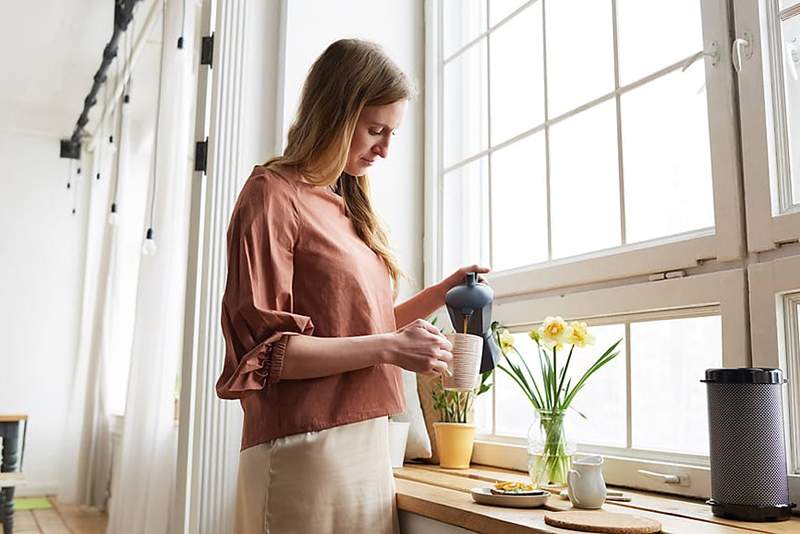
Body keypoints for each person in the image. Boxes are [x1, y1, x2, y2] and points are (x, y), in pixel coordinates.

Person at [216, 38, 490, 534]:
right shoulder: (271, 196)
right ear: (336, 113)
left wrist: (441, 293)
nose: (385, 149)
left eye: (393, 133)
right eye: (375, 129)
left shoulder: (345, 206)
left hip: (365, 443)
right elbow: (267, 354)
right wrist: (389, 347)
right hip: (302, 447)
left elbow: (361, 330)